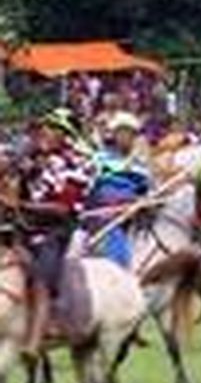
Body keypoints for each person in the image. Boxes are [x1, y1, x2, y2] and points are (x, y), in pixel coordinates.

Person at [7, 112, 91, 354]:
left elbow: (63, 209)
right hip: (23, 227)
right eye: (44, 127)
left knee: (41, 278)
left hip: (55, 231)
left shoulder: (76, 164)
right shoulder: (32, 160)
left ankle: (36, 338)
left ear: (66, 136)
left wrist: (20, 205)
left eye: (53, 128)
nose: (45, 132)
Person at [86, 111, 153, 268]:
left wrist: (144, 201)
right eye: (121, 132)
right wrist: (120, 204)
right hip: (106, 215)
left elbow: (147, 190)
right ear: (114, 135)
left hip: (135, 215)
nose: (125, 137)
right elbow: (94, 189)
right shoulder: (100, 158)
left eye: (130, 133)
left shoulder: (140, 164)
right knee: (116, 247)